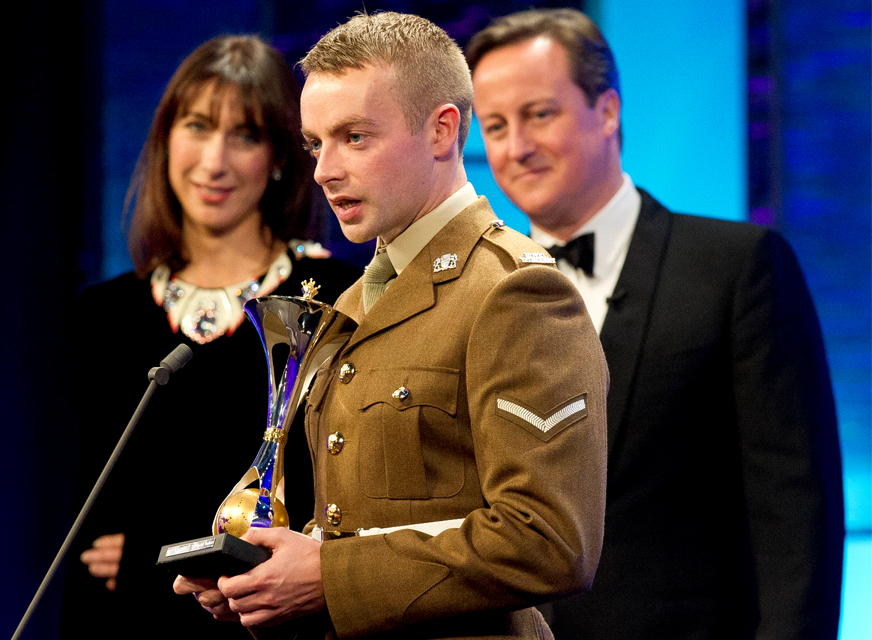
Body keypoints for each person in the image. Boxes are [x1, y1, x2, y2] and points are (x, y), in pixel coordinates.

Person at [174, 11, 609, 639]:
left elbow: (548, 539)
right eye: (315, 143)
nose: (324, 170)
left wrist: (329, 576)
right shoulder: (355, 297)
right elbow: (360, 522)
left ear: (441, 131)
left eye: (355, 137)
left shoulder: (515, 289)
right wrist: (264, 573)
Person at [466, 8, 845, 639]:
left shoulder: (738, 268)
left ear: (608, 111)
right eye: (496, 126)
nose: (515, 148)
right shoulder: (476, 294)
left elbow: (797, 515)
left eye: (539, 115)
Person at [61, 35, 360, 639]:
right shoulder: (104, 314)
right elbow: (83, 515)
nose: (214, 161)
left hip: (277, 620)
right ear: (166, 138)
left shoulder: (332, 297)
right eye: (197, 126)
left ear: (280, 156)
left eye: (245, 136)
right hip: (128, 624)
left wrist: (146, 544)